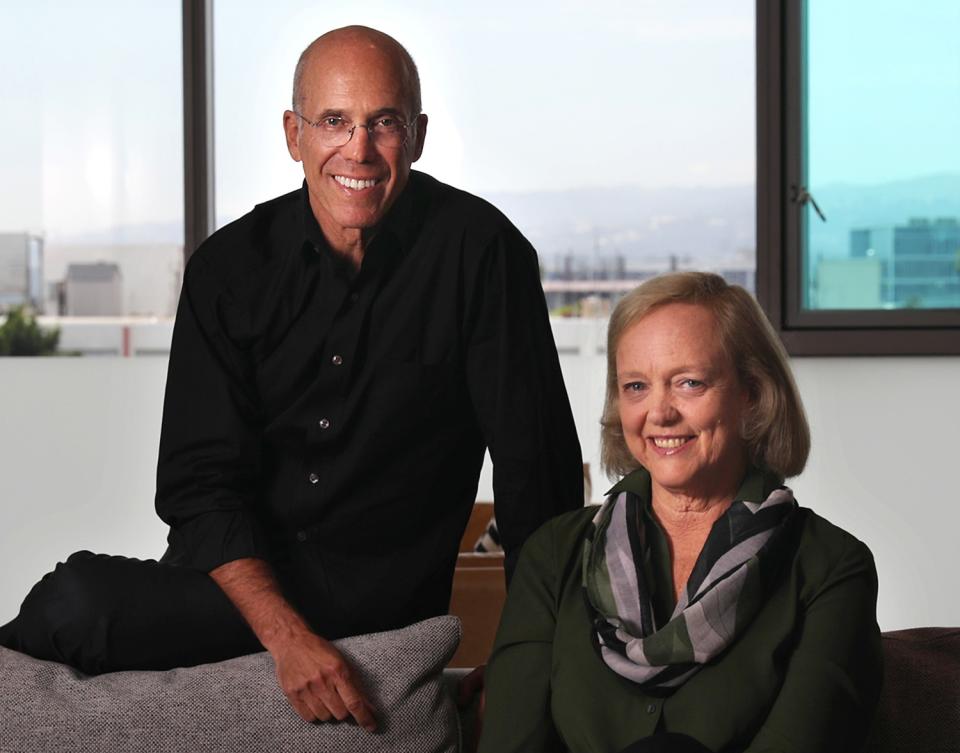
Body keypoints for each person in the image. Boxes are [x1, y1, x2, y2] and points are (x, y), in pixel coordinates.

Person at [0, 26, 583, 732]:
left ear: (419, 135)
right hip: (237, 593)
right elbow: (198, 488)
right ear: (293, 134)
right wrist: (288, 641)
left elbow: (538, 486)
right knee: (75, 600)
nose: (359, 149)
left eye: (384, 123)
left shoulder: (484, 257)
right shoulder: (228, 270)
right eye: (334, 121)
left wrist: (531, 658)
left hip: (378, 606)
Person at [478, 272, 882, 753]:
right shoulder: (554, 556)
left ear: (751, 393)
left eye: (689, 383)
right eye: (636, 386)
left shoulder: (830, 568)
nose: (659, 413)